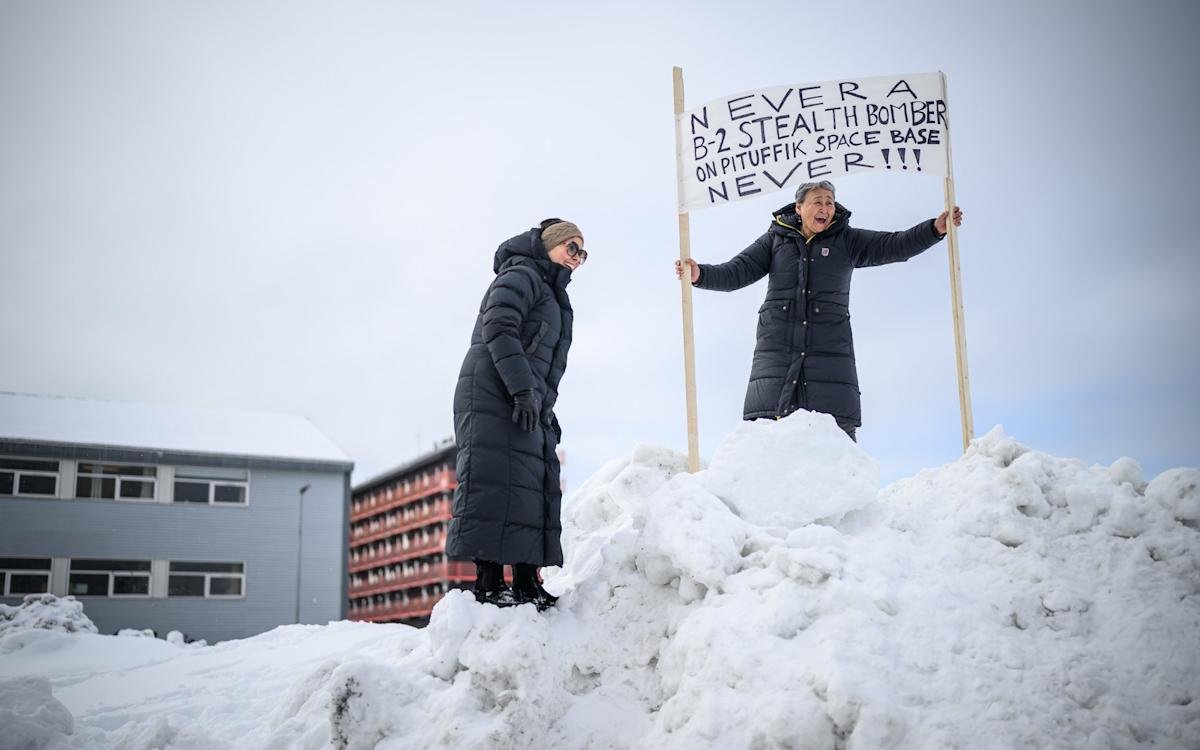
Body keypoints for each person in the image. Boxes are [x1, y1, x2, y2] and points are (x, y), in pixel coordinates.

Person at [675, 181, 963, 441]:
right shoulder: (775, 241)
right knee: (764, 449)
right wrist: (700, 274)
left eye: (829, 201)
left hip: (829, 361)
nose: (825, 207)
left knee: (833, 456)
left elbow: (895, 245)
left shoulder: (846, 241)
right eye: (818, 201)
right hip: (776, 357)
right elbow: (737, 272)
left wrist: (934, 229)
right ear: (799, 208)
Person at [446, 218, 586, 610]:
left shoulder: (554, 294)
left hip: (524, 393)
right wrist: (522, 388)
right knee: (492, 481)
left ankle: (526, 582)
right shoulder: (522, 273)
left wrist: (542, 403)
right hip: (492, 389)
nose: (577, 258)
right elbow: (499, 326)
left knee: (531, 479)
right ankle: (488, 583)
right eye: (571, 247)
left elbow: (545, 358)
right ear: (550, 245)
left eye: (583, 252)